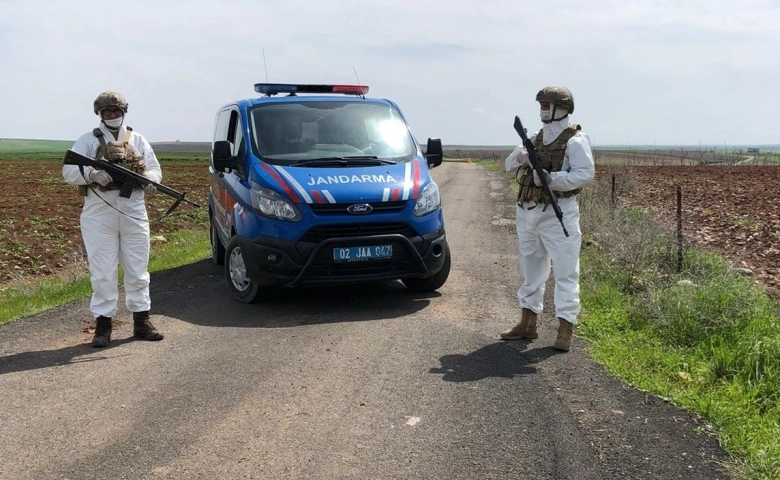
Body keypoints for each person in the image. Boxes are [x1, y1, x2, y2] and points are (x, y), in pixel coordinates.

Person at [62, 91, 164, 348]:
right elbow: (69, 169)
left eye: (117, 111)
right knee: (103, 273)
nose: (113, 115)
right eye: (108, 111)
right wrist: (92, 174)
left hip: (133, 210)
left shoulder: (138, 139)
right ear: (100, 113)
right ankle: (103, 325)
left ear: (124, 112)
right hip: (99, 212)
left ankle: (142, 320)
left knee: (138, 270)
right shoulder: (87, 140)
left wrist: (151, 179)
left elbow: (154, 169)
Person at [500, 86, 595, 352]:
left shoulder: (575, 140)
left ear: (561, 107)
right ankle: (528, 323)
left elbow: (584, 175)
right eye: (540, 105)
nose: (542, 109)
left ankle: (565, 329)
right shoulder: (536, 137)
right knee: (531, 269)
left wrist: (552, 179)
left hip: (558, 213)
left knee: (566, 272)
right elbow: (509, 164)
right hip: (527, 210)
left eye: (546, 105)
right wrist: (523, 157)